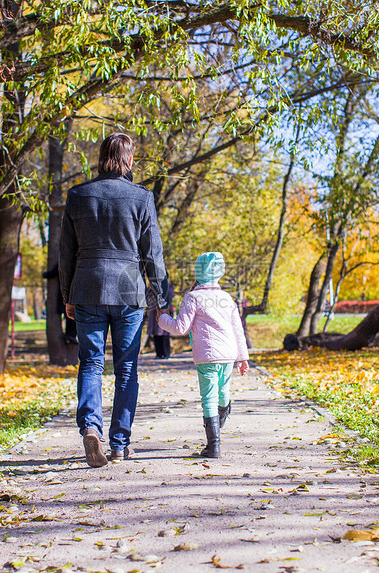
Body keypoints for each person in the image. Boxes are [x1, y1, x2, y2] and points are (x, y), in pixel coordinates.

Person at [59, 133, 169, 468]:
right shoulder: (141, 197)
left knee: (91, 363)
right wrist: (161, 296)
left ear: (101, 156)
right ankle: (120, 443)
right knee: (126, 368)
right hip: (128, 290)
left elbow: (66, 252)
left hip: (88, 287)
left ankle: (91, 427)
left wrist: (67, 294)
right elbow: (152, 252)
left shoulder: (78, 195)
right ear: (128, 160)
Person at [159, 252, 249, 458]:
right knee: (223, 391)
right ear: (221, 272)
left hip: (206, 355)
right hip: (227, 354)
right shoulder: (227, 298)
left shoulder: (193, 297)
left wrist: (162, 318)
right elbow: (238, 330)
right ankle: (222, 414)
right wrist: (242, 357)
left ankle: (213, 445)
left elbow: (180, 327)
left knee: (208, 398)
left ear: (197, 273)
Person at [145, 281, 175, 358]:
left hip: (165, 310)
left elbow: (171, 295)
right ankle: (158, 353)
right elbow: (147, 297)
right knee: (156, 334)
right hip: (154, 312)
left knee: (165, 334)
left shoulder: (168, 286)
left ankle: (166, 353)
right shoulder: (152, 286)